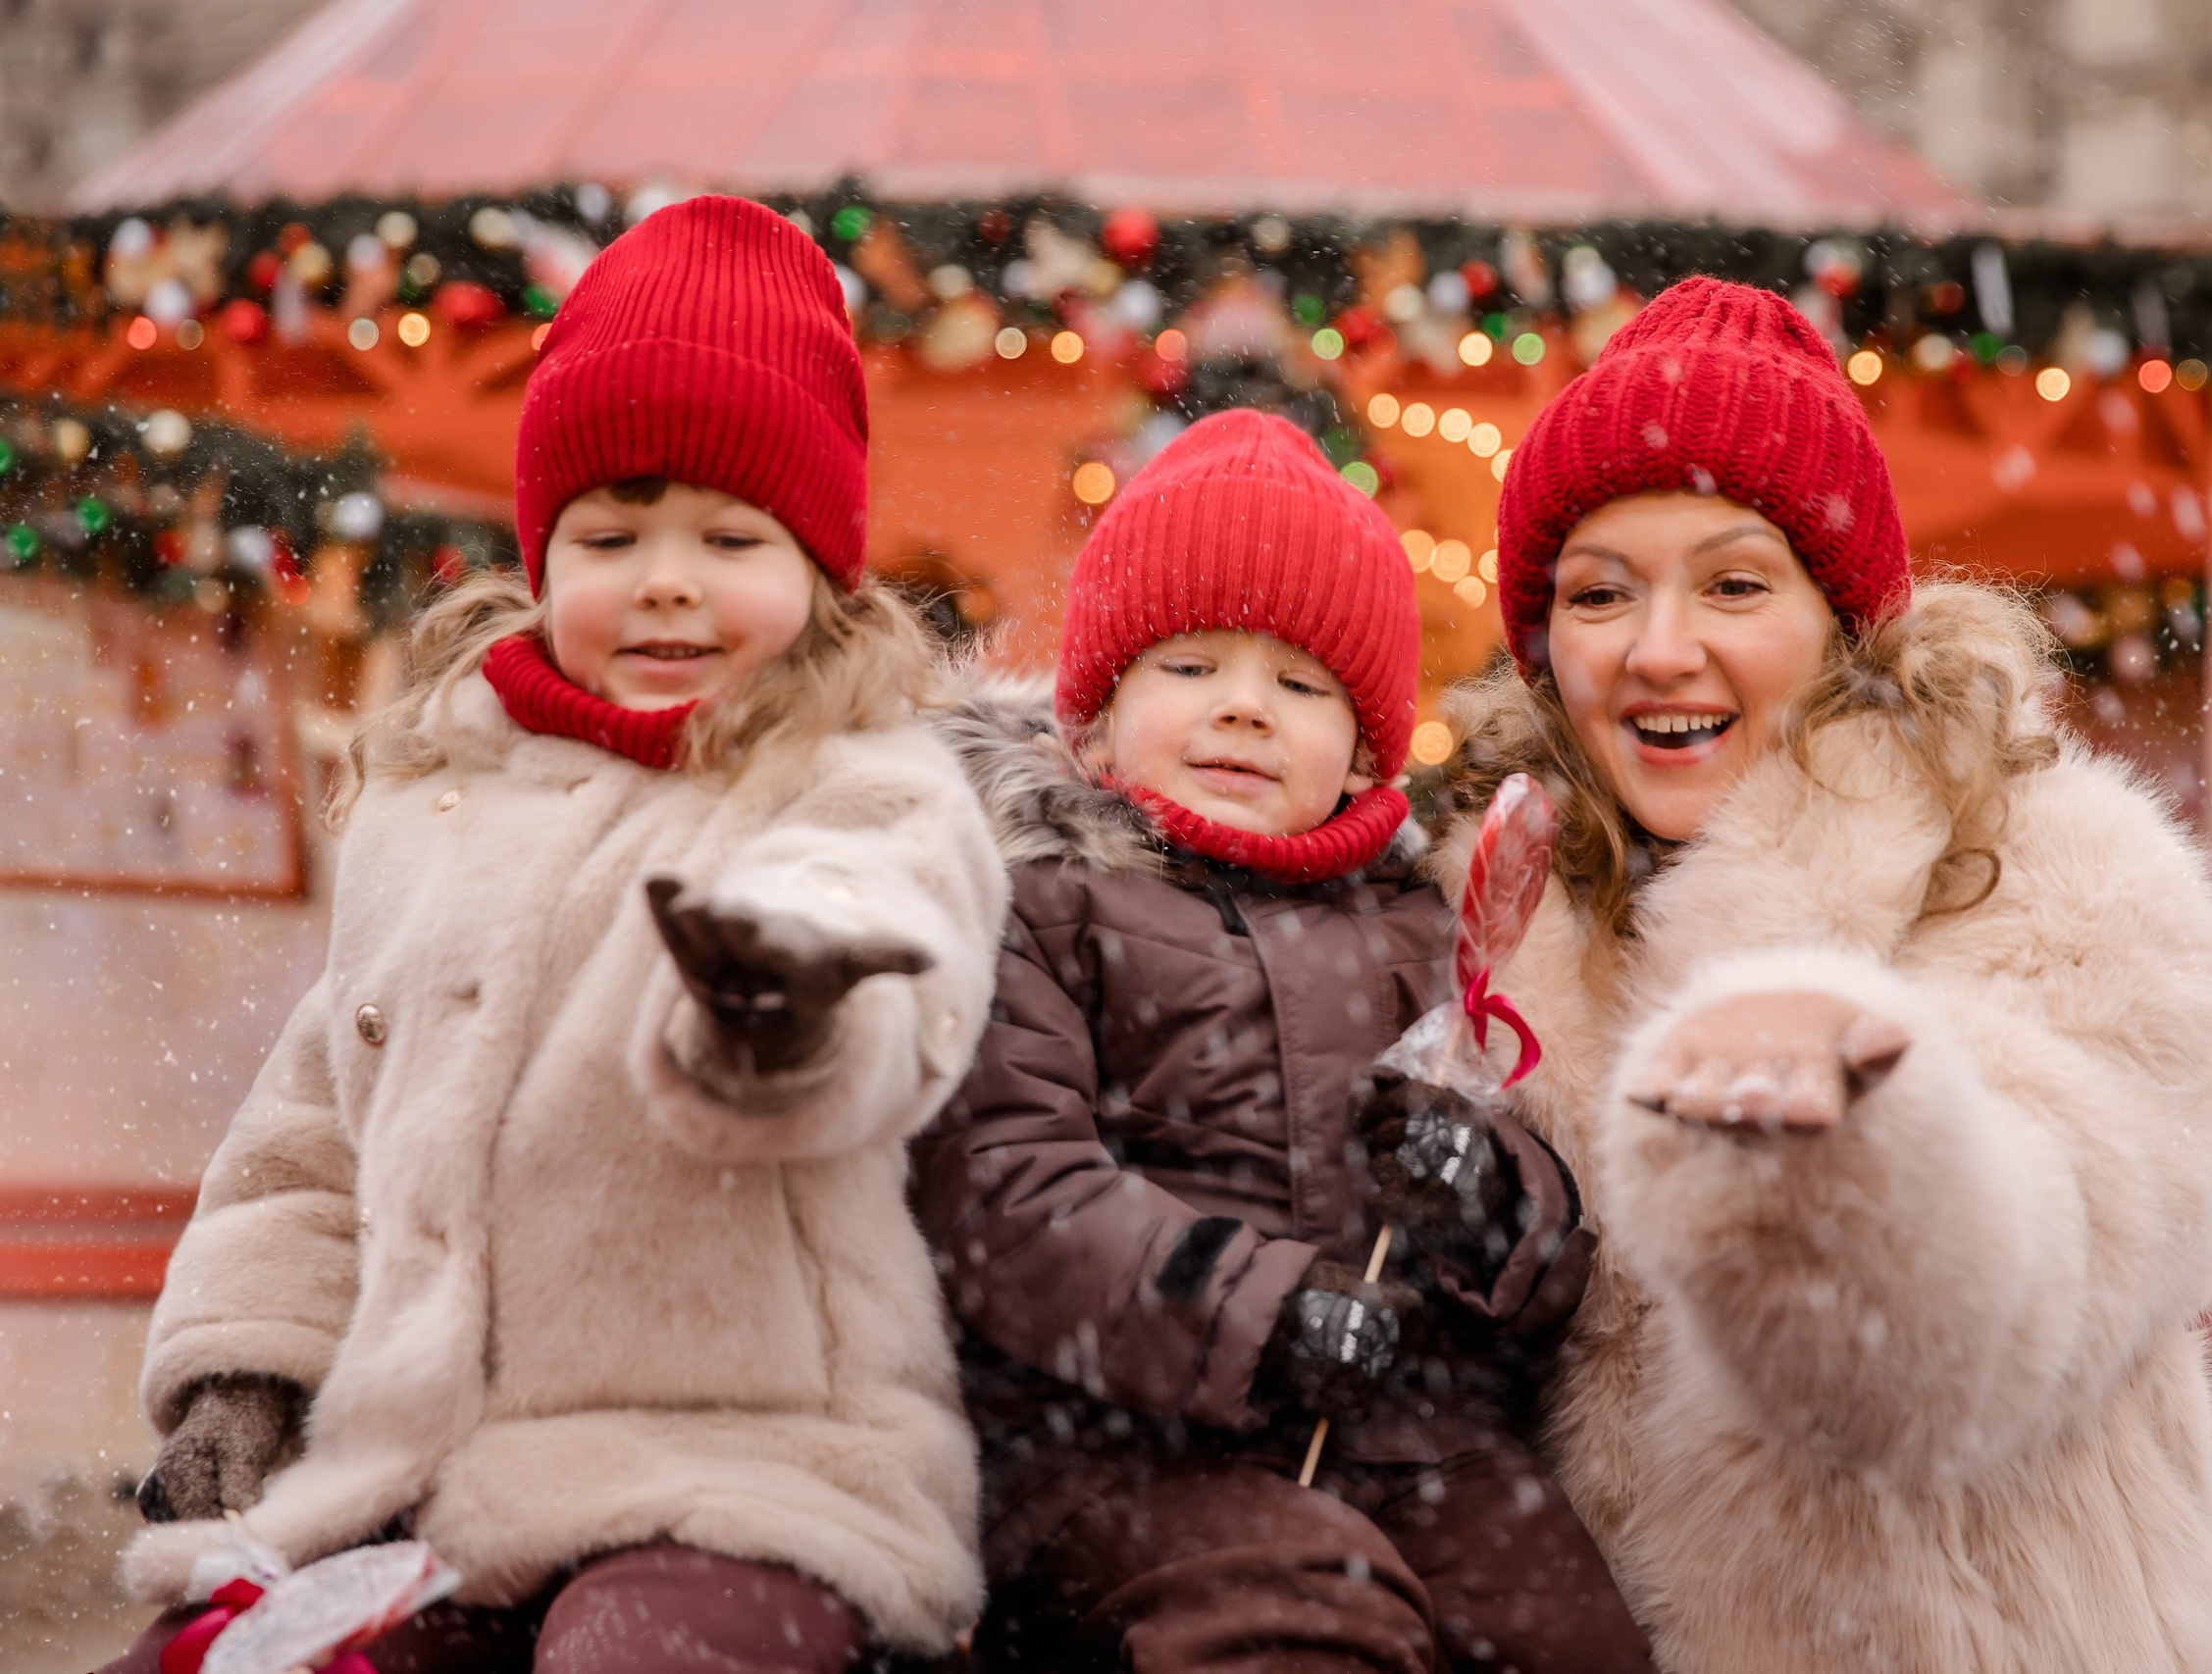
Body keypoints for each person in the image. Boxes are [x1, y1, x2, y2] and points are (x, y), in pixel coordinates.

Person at [99, 196, 1003, 1674]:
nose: (664, 577)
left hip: (745, 1474)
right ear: (542, 551)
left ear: (823, 571)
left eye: (728, 535)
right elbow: (319, 1133)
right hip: (421, 1479)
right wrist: (247, 1371)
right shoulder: (434, 803)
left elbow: (889, 944)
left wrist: (776, 998)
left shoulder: (853, 781)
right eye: (612, 532)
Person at [1435, 277, 2212, 1670]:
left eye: (1735, 583)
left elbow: (2022, 1294)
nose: (1657, 651)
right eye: (1598, 593)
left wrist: (1857, 1145)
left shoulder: (2064, 866)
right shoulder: (1502, 910)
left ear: (1843, 620)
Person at [919, 409, 1658, 1674]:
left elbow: (1546, 1243)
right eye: (1191, 669)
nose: (1247, 711)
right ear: (1091, 718)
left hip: (1420, 1438)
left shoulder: (1426, 931)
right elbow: (1010, 1191)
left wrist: (1486, 1200)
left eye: (1300, 685)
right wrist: (1263, 1315)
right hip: (1127, 1446)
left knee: (1565, 1633)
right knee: (1297, 1616)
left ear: (1366, 752)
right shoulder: (1041, 907)